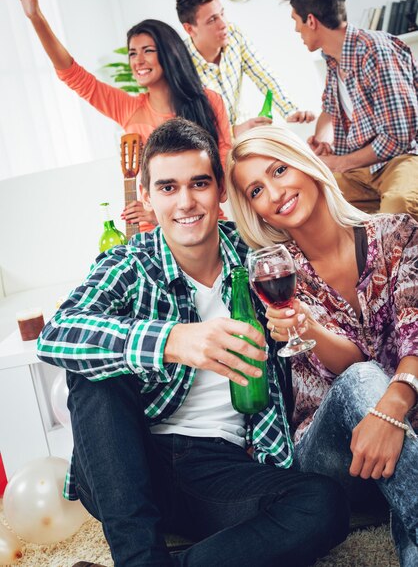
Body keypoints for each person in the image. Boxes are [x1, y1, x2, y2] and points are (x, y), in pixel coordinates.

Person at [37, 118, 349, 567]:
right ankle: (138, 555)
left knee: (322, 505)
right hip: (125, 463)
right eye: (167, 187)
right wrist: (171, 340)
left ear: (221, 190)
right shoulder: (127, 263)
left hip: (218, 468)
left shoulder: (257, 258)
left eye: (198, 183)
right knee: (92, 371)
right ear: (145, 196)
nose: (185, 202)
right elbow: (57, 334)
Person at [226, 123, 418, 567]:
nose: (273, 193)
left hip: (402, 436)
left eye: (278, 170)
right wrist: (308, 329)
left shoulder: (398, 234)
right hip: (329, 454)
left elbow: (415, 331)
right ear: (257, 212)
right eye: (256, 190)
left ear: (307, 165)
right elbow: (352, 374)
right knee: (362, 379)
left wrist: (393, 408)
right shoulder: (275, 274)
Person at [2, 0, 231, 231]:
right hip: (154, 240)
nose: (138, 60)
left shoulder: (209, 102)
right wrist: (35, 16)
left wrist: (160, 214)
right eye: (132, 53)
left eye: (147, 50)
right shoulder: (128, 109)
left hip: (207, 227)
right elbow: (73, 74)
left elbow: (225, 175)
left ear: (169, 53)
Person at [279, 0, 418, 221]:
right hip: (361, 170)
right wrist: (322, 143)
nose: (295, 29)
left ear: (311, 20)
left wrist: (341, 163)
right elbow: (330, 112)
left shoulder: (376, 51)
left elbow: (399, 137)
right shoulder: (333, 60)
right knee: (313, 202)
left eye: (295, 20)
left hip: (402, 160)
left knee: (398, 206)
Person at [176, 0, 315, 138]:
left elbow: (264, 75)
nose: (223, 24)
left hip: (246, 139)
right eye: (212, 20)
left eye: (222, 14)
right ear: (189, 29)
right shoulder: (179, 64)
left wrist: (289, 111)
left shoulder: (234, 35)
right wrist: (234, 132)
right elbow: (190, 127)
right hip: (212, 149)